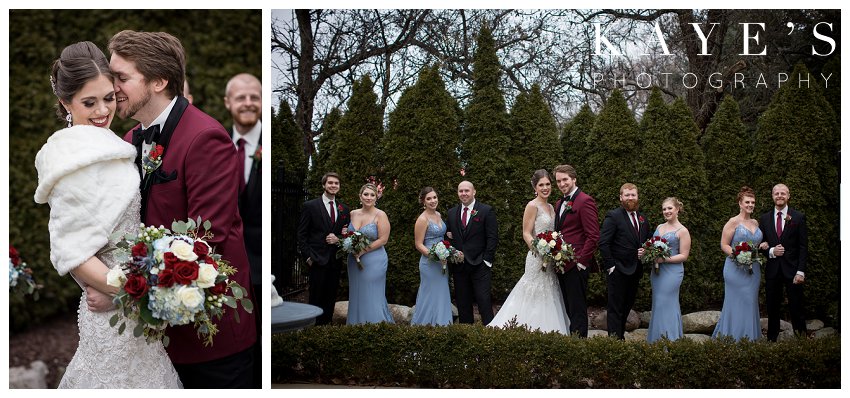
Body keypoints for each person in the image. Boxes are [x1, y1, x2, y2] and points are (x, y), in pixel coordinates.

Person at [102, 30, 255, 388]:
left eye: (121, 78)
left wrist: (120, 286)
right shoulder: (128, 141)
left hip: (209, 340)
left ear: (159, 80)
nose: (112, 89)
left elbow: (205, 238)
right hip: (152, 337)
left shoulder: (206, 137)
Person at [34, 41, 181, 388]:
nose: (103, 110)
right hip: (115, 309)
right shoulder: (70, 161)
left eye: (109, 97)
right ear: (65, 103)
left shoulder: (110, 142)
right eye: (89, 102)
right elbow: (74, 253)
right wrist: (134, 291)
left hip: (131, 310)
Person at [488, 170, 570, 333]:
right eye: (541, 185)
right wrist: (540, 248)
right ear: (535, 187)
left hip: (550, 260)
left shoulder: (552, 208)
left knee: (549, 292)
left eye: (548, 184)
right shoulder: (532, 206)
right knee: (533, 292)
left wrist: (555, 249)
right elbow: (526, 232)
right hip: (536, 258)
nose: (545, 188)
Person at [224, 72, 262, 386]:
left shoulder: (271, 143)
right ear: (228, 103)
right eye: (241, 97)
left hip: (264, 263)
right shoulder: (217, 143)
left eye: (254, 97)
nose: (248, 103)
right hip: (229, 265)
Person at [599, 183, 652, 339]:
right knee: (615, 309)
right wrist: (611, 266)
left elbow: (647, 240)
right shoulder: (613, 216)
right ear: (620, 197)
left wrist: (646, 250)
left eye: (633, 195)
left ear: (637, 197)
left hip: (635, 270)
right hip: (618, 270)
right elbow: (604, 243)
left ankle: (619, 337)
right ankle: (614, 343)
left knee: (627, 307)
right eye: (627, 195)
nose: (630, 198)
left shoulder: (643, 219)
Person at [552, 164, 599, 337]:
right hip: (561, 264)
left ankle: (579, 347)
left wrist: (581, 263)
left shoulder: (585, 201)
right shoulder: (559, 203)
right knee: (567, 308)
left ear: (573, 179)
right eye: (558, 181)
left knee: (578, 310)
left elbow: (593, 236)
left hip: (576, 266)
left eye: (565, 179)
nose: (562, 183)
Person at [712, 186, 763, 341]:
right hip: (735, 269)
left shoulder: (755, 222)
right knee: (734, 304)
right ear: (740, 203)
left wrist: (762, 247)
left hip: (753, 270)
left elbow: (755, 243)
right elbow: (724, 245)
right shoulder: (732, 222)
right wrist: (739, 256)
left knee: (750, 302)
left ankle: (749, 339)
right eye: (747, 202)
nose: (750, 205)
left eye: (753, 202)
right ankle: (731, 339)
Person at [297, 172, 348, 325]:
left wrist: (338, 238)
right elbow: (301, 235)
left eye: (336, 183)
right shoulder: (310, 206)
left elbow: (346, 235)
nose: (333, 185)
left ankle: (326, 329)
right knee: (315, 297)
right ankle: (312, 328)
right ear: (324, 185)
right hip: (317, 260)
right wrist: (308, 257)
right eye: (330, 183)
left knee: (331, 297)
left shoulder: (344, 209)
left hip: (335, 261)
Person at [759, 184, 808, 341]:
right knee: (772, 307)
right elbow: (761, 245)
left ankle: (801, 341)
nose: (779, 195)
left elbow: (803, 247)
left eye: (783, 193)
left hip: (793, 271)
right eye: (776, 193)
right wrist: (771, 251)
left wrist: (800, 271)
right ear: (772, 196)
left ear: (788, 196)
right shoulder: (764, 218)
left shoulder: (798, 217)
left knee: (796, 307)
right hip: (773, 270)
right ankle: (772, 341)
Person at [445, 181, 498, 325]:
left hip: (480, 265)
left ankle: (490, 332)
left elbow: (492, 237)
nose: (464, 193)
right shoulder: (451, 213)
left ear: (474, 192)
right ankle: (466, 334)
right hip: (459, 266)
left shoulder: (486, 210)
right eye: (461, 191)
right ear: (457, 193)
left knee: (484, 301)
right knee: (462, 302)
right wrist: (453, 254)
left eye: (467, 190)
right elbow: (447, 237)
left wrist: (486, 260)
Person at [345, 183, 394, 324]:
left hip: (375, 260)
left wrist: (362, 250)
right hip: (354, 260)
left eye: (372, 195)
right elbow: (346, 234)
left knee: (372, 294)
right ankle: (355, 326)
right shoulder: (352, 213)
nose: (368, 197)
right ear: (360, 196)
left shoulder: (380, 215)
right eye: (365, 194)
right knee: (357, 293)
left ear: (376, 197)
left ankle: (376, 327)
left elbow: (383, 239)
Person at [646, 197, 691, 342]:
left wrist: (663, 259)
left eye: (670, 208)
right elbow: (652, 246)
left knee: (667, 303)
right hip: (657, 272)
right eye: (664, 209)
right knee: (658, 303)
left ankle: (671, 341)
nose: (666, 211)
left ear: (677, 209)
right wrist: (647, 253)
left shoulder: (683, 231)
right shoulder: (659, 227)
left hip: (673, 272)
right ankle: (656, 341)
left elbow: (684, 256)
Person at [410, 187, 453, 326]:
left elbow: (442, 236)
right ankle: (424, 326)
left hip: (442, 262)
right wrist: (434, 256)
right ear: (423, 201)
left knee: (441, 294)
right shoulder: (422, 219)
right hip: (429, 263)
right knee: (429, 295)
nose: (433, 201)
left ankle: (442, 325)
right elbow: (418, 244)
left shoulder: (439, 215)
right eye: (429, 198)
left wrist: (448, 250)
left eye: (434, 197)